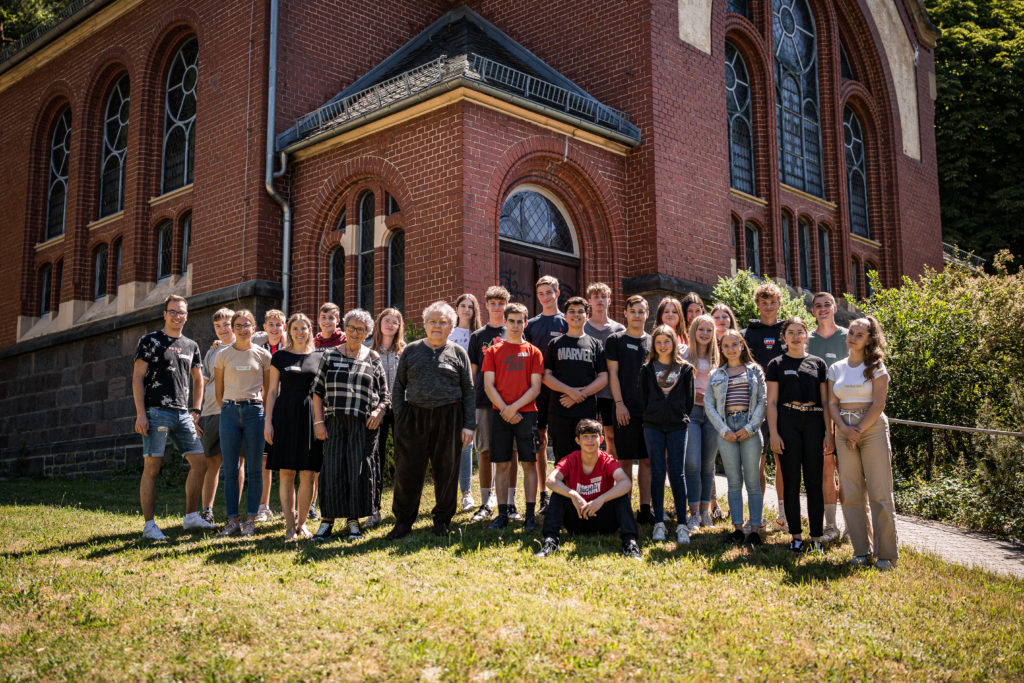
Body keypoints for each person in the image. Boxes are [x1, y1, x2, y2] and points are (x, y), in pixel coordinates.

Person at [386, 302, 475, 540]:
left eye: (443, 322)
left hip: (450, 417)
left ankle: (442, 520)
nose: (437, 326)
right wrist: (401, 415)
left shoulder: (458, 353)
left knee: (446, 471)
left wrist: (468, 425)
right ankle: (403, 522)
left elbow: (468, 390)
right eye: (433, 321)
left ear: (451, 326)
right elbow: (398, 387)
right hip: (414, 417)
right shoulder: (411, 351)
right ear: (425, 325)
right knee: (408, 472)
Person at [132, 294, 213, 539]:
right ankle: (149, 526)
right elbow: (137, 377)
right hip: (155, 412)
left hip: (182, 413)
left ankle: (191, 517)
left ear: (187, 316)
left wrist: (196, 410)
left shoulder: (191, 345)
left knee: (200, 463)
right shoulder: (150, 341)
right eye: (173, 311)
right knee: (152, 467)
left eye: (182, 313)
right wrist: (140, 414)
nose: (178, 316)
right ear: (164, 314)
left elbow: (199, 379)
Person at [310, 309, 390, 541]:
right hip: (335, 421)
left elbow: (385, 395)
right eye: (351, 328)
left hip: (363, 424)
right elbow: (317, 391)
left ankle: (353, 520)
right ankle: (327, 521)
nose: (355, 333)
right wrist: (318, 422)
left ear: (367, 332)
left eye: (361, 329)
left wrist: (378, 412)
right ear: (344, 329)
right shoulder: (330, 355)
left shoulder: (372, 357)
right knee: (333, 470)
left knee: (358, 471)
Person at [827, 316, 898, 570]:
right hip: (844, 430)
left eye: (859, 334)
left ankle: (887, 554)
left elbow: (879, 404)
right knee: (851, 493)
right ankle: (861, 551)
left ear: (869, 340)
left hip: (872, 429)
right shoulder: (836, 368)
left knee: (880, 493)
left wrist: (858, 430)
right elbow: (832, 404)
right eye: (851, 333)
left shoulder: (877, 367)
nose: (853, 337)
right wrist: (845, 430)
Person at [765, 317, 830, 553]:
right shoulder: (776, 364)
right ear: (784, 337)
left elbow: (826, 402)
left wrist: (828, 434)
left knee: (814, 483)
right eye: (790, 332)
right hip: (787, 424)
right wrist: (773, 433)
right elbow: (771, 402)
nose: (795, 336)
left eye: (799, 332)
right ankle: (796, 537)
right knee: (791, 482)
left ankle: (816, 538)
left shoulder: (818, 364)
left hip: (814, 424)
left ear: (806, 335)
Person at [536, 419, 640, 559]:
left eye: (594, 436)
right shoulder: (571, 459)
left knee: (620, 496)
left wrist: (601, 499)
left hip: (604, 520)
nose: (590, 440)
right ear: (577, 440)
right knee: (558, 495)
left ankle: (630, 544)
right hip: (577, 520)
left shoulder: (607, 460)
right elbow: (551, 480)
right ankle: (551, 542)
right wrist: (573, 494)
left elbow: (626, 483)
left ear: (601, 439)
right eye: (585, 436)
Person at [482, 303, 544, 531]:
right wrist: (505, 410)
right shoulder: (493, 351)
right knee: (502, 464)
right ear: (505, 322)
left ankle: (529, 514)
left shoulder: (533, 352)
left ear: (525, 323)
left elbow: (535, 387)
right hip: (500, 415)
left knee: (529, 463)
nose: (516, 325)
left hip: (527, 415)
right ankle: (502, 513)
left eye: (520, 321)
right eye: (512, 321)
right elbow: (489, 385)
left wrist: (514, 408)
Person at [264, 313, 323, 540]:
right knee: (287, 472)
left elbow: (321, 392)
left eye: (303, 328)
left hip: (310, 417)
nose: (299, 332)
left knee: (308, 474)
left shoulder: (319, 357)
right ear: (289, 331)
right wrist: (268, 422)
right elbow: (271, 392)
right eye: (295, 328)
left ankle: (303, 524)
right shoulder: (279, 357)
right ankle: (290, 526)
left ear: (309, 330)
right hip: (284, 417)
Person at [705, 330, 767, 545]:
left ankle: (755, 529)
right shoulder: (716, 374)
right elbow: (709, 405)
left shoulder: (754, 371)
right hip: (726, 428)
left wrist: (750, 428)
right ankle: (738, 528)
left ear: (742, 345)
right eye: (726, 346)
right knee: (733, 481)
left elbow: (762, 401)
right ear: (721, 349)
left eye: (734, 344)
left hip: (749, 427)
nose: (730, 349)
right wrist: (724, 430)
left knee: (752, 482)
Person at [214, 309, 272, 536]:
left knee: (255, 469)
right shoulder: (223, 354)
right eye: (238, 325)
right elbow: (218, 391)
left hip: (255, 413)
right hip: (229, 412)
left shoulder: (263, 355)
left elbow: (267, 391)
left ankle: (250, 520)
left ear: (254, 327)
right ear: (232, 328)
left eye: (246, 324)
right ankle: (232, 521)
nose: (242, 329)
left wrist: (263, 412)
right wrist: (228, 407)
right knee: (230, 469)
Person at [639, 325, 694, 544]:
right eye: (658, 342)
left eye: (667, 341)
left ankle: (682, 524)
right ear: (654, 345)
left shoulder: (686, 369)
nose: (663, 346)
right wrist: (653, 414)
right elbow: (643, 398)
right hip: (652, 426)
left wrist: (677, 415)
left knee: (677, 474)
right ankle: (659, 523)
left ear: (674, 343)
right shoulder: (647, 369)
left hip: (677, 426)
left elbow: (688, 402)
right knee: (658, 471)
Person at [741, 282, 787, 530]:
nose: (768, 307)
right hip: (754, 405)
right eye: (764, 302)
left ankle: (783, 514)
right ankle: (756, 516)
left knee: (781, 459)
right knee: (755, 461)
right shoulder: (747, 334)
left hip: (782, 406)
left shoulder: (788, 331)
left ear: (779, 304)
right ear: (757, 304)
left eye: (773, 302)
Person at [605, 295, 654, 528]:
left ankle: (646, 508)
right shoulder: (615, 340)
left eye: (641, 311)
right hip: (625, 409)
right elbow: (613, 375)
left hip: (650, 412)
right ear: (625, 313)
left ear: (647, 313)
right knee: (624, 459)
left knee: (646, 461)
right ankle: (623, 505)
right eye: (632, 311)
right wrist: (619, 403)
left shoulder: (654, 342)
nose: (637, 315)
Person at [543, 296, 609, 462]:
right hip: (560, 408)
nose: (576, 315)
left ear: (587, 315)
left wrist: (582, 394)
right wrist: (570, 392)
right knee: (562, 455)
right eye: (571, 311)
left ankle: (584, 488)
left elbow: (604, 377)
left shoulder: (595, 344)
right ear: (565, 316)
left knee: (586, 455)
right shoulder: (555, 343)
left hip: (586, 410)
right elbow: (546, 376)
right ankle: (561, 488)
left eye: (581, 311)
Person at [524, 275, 568, 515]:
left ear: (557, 293)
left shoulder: (566, 321)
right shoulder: (531, 325)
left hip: (561, 389)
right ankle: (543, 495)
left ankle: (564, 491)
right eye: (541, 293)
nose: (545, 297)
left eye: (549, 292)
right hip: (538, 390)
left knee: (564, 441)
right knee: (540, 441)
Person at [807, 292, 848, 543]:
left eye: (826, 305)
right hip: (818, 412)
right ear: (813, 311)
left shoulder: (846, 336)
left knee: (849, 471)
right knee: (826, 468)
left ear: (834, 308)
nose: (822, 309)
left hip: (845, 409)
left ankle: (852, 526)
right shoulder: (807, 339)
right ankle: (830, 525)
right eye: (817, 306)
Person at [468, 286, 511, 522]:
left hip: (509, 402)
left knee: (510, 453)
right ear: (486, 306)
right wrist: (472, 404)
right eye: (492, 303)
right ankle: (486, 502)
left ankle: (511, 503)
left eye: (500, 303)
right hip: (484, 402)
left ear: (506, 305)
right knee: (484, 451)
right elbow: (474, 374)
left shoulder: (513, 331)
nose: (496, 307)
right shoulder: (478, 337)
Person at [198, 307, 243, 525]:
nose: (223, 329)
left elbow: (265, 333)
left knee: (237, 464)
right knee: (212, 462)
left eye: (227, 324)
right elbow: (203, 383)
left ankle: (233, 513)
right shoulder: (211, 352)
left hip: (236, 411)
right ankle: (207, 510)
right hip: (211, 411)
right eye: (218, 326)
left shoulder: (244, 346)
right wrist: (196, 411)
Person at [682, 314, 720, 532]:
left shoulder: (719, 357)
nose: (705, 334)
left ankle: (705, 512)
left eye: (709, 330)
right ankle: (693, 512)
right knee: (693, 463)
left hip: (712, 415)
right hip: (692, 413)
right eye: (701, 329)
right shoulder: (684, 354)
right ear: (693, 331)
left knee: (708, 464)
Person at [370, 307, 406, 528]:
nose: (390, 324)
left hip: (400, 410)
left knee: (404, 458)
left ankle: (401, 508)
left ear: (399, 327)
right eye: (387, 320)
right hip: (377, 411)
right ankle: (374, 508)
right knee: (376, 459)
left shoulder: (405, 351)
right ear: (380, 323)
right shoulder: (368, 350)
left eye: (395, 322)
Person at [584, 283, 626, 460]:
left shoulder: (619, 330)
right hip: (588, 391)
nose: (600, 300)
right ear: (589, 301)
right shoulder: (583, 327)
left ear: (609, 300)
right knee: (588, 435)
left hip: (610, 392)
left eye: (603, 297)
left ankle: (611, 473)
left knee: (611, 436)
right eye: (595, 297)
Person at [255, 308, 286, 523]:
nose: (275, 329)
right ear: (264, 327)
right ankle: (263, 506)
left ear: (284, 327)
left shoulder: (292, 344)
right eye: (271, 325)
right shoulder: (257, 346)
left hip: (286, 406)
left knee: (287, 458)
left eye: (279, 325)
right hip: (263, 405)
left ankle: (288, 506)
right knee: (264, 459)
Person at [452, 293, 482, 512]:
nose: (466, 310)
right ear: (456, 309)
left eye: (470, 307)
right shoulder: (448, 333)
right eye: (462, 306)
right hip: (450, 395)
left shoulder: (478, 335)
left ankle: (467, 493)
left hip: (474, 396)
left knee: (469, 444)